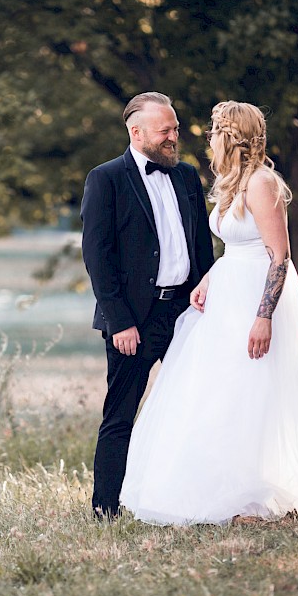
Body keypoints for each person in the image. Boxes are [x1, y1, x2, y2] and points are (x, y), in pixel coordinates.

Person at [119, 101, 298, 525]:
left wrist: (263, 317)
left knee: (250, 390)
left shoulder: (263, 182)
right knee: (220, 390)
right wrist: (209, 280)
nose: (207, 137)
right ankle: (220, 489)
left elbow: (278, 257)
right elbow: (235, 246)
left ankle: (250, 496)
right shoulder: (232, 182)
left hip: (257, 297)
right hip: (228, 294)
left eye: (213, 131)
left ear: (229, 137)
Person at [81, 91, 215, 520]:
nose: (175, 136)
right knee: (120, 414)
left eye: (175, 128)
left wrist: (209, 301)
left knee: (194, 407)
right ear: (136, 133)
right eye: (166, 130)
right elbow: (97, 256)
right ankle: (106, 509)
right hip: (133, 321)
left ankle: (187, 501)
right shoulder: (106, 178)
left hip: (186, 311)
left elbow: (200, 249)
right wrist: (120, 321)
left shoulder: (187, 176)